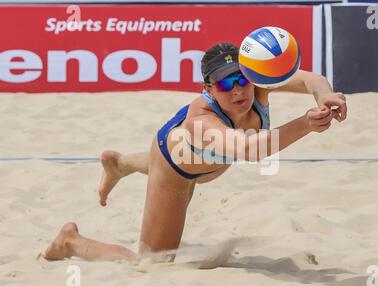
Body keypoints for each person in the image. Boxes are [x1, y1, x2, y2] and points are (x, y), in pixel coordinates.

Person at [43, 42, 347, 262]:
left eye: (242, 78)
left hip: (203, 159)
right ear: (208, 88)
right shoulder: (200, 121)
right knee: (152, 264)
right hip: (178, 169)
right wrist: (306, 124)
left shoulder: (258, 86)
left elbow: (310, 78)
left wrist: (325, 95)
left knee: (192, 157)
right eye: (226, 83)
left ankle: (119, 163)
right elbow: (251, 150)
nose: (238, 90)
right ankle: (71, 241)